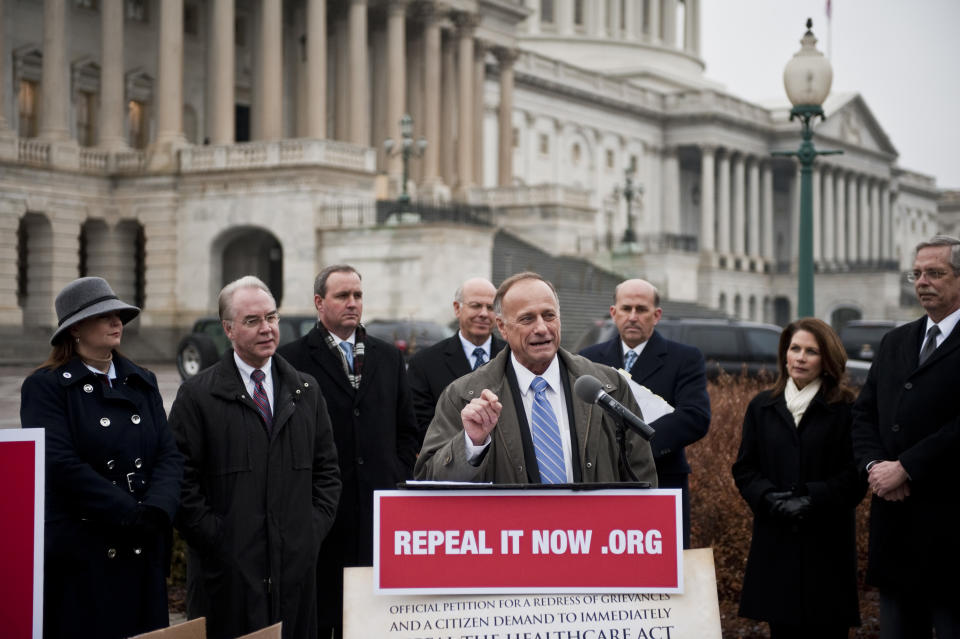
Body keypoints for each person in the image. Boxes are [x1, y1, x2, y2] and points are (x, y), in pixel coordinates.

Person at [169, 276, 341, 639]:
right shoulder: (197, 396)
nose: (266, 328)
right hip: (227, 580)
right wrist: (219, 540)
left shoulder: (305, 390)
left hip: (294, 573)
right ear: (228, 329)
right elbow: (180, 483)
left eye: (272, 318)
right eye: (252, 321)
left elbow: (327, 473)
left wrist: (308, 533)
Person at [20, 276, 183, 639]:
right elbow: (59, 464)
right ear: (76, 327)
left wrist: (158, 510)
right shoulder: (46, 386)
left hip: (143, 547)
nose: (117, 322)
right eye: (105, 315)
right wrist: (128, 512)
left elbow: (168, 455)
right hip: (85, 552)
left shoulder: (142, 380)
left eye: (119, 315)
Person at [278, 264, 420, 639]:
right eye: (343, 296)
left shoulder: (388, 357)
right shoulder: (291, 359)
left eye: (358, 295)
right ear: (319, 303)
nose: (353, 303)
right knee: (325, 615)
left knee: (374, 620)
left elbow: (407, 429)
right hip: (323, 515)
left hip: (378, 511)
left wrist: (396, 474)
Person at [416, 271, 657, 486]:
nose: (541, 328)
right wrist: (471, 444)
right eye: (527, 319)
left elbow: (643, 477)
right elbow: (428, 480)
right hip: (509, 534)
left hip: (593, 533)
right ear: (502, 327)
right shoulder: (464, 395)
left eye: (549, 315)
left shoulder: (608, 386)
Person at [852, 235, 960, 639]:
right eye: (916, 274)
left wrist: (907, 468)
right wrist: (876, 466)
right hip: (897, 527)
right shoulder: (895, 341)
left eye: (935, 273)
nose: (922, 282)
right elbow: (864, 414)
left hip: (950, 527)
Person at [732, 318, 865, 639]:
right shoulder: (762, 406)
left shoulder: (846, 408)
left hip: (826, 542)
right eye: (795, 349)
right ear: (784, 354)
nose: (800, 358)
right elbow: (745, 468)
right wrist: (767, 498)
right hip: (776, 538)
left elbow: (856, 474)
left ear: (827, 359)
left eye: (811, 351)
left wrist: (812, 497)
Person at [579, 278, 710, 548]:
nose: (633, 317)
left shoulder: (685, 358)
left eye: (641, 309)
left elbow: (695, 416)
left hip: (662, 479)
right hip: (604, 481)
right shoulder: (587, 358)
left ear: (657, 315)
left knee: (663, 570)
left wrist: (637, 447)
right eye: (626, 309)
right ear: (614, 313)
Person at [407, 277, 507, 435]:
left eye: (490, 307)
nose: (483, 314)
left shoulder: (513, 356)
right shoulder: (424, 364)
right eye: (476, 306)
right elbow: (421, 425)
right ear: (457, 308)